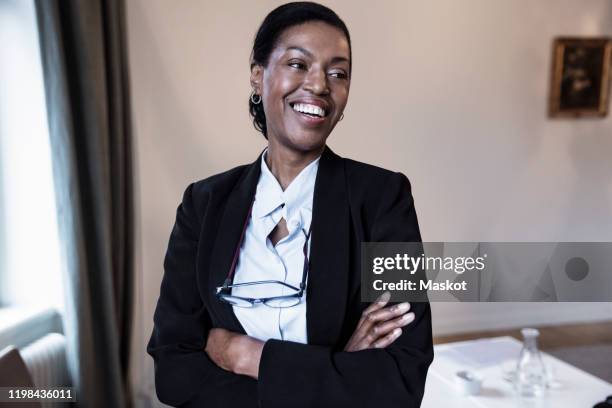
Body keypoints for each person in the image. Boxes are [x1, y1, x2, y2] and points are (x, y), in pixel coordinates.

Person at [147, 2, 433, 407]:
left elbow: (402, 378)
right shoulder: (203, 204)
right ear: (258, 75)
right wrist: (335, 367)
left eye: (338, 73)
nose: (319, 85)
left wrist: (249, 356)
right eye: (298, 64)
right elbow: (174, 373)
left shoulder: (384, 199)